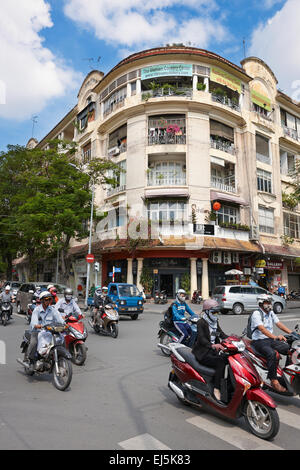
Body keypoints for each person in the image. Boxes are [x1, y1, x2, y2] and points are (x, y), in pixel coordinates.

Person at [251, 294, 292, 393]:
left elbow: (279, 324)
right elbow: (262, 329)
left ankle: (288, 374)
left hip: (270, 339)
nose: (269, 304)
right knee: (271, 354)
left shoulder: (271, 313)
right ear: (261, 303)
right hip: (258, 341)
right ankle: (274, 380)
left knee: (290, 350)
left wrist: (293, 333)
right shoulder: (256, 314)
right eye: (267, 302)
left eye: (270, 302)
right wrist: (275, 337)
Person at [192, 299, 228, 402]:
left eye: (217, 312)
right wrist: (213, 345)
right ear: (207, 312)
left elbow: (221, 334)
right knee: (220, 362)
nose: (216, 314)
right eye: (214, 312)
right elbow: (202, 339)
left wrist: (233, 339)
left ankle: (223, 383)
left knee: (228, 358)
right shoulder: (201, 322)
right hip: (203, 352)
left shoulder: (215, 322)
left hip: (213, 350)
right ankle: (216, 388)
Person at [27, 291, 65, 371]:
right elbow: (34, 322)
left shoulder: (52, 309)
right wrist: (37, 325)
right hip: (37, 331)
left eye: (49, 299)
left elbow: (59, 319)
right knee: (34, 343)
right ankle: (31, 361)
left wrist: (65, 324)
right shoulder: (37, 310)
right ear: (42, 300)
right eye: (46, 299)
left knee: (61, 339)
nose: (48, 301)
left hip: (49, 331)